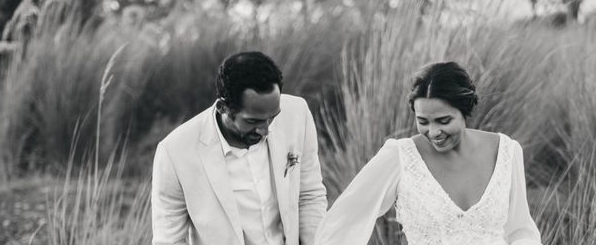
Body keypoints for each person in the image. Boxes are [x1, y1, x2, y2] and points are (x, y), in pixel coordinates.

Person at [313, 61, 542, 245]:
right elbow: (344, 220)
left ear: (465, 110)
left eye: (444, 121)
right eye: (423, 121)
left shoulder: (506, 152)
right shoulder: (400, 156)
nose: (433, 132)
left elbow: (521, 229)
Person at [152, 51, 327, 245]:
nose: (265, 130)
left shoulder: (297, 113)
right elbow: (169, 240)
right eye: (253, 121)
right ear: (222, 107)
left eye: (272, 117)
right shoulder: (175, 152)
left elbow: (309, 196)